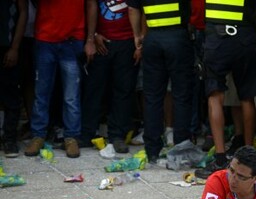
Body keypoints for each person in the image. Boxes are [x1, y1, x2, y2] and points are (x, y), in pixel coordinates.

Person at [193, 0, 256, 178]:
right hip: (244, 36)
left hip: (217, 37)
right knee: (247, 97)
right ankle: (249, 157)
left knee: (214, 95)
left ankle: (220, 157)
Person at [128, 0, 194, 163]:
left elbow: (132, 8)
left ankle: (152, 150)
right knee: (181, 95)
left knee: (152, 96)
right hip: (178, 37)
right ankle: (181, 147)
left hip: (153, 38)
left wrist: (137, 36)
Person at [24, 0, 85, 159]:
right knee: (41, 93)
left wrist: (90, 37)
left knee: (71, 95)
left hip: (72, 39)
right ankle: (38, 135)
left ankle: (71, 137)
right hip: (45, 38)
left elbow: (91, 5)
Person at [80, 0, 140, 154]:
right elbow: (91, 5)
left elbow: (139, 8)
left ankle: (117, 136)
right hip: (101, 40)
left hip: (127, 41)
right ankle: (86, 133)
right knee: (94, 88)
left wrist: (138, 41)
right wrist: (92, 37)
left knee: (124, 90)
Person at [0, 0, 27, 158]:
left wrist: (15, 48)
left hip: (7, 46)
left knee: (11, 95)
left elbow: (23, 12)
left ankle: (9, 139)